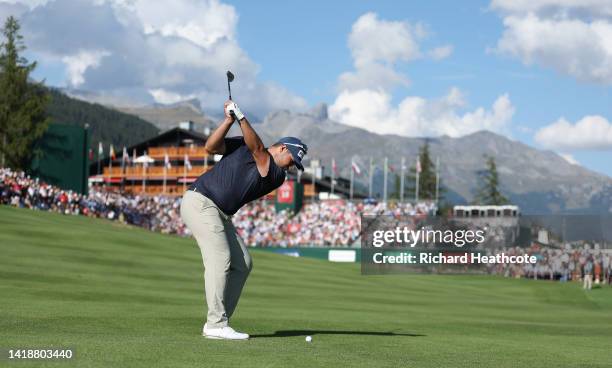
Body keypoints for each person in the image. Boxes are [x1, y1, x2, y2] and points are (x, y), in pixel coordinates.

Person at [180, 100, 307, 340]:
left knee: (243, 263)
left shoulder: (276, 175)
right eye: (292, 161)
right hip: (200, 202)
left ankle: (219, 320)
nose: (291, 168)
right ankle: (216, 324)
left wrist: (240, 116)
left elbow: (258, 149)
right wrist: (228, 120)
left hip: (220, 213)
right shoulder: (244, 145)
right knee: (221, 257)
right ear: (281, 149)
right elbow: (211, 147)